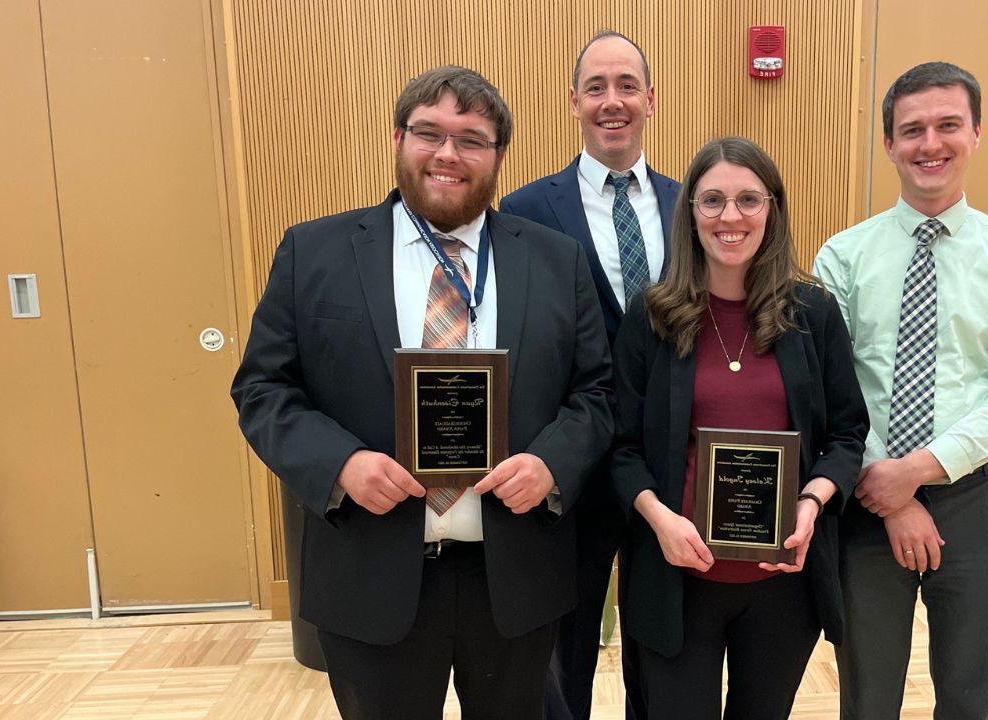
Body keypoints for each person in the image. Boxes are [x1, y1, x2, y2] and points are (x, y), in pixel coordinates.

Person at [230, 65, 613, 720]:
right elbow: (263, 389)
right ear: (398, 137)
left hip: (515, 578)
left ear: (497, 155)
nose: (447, 154)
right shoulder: (314, 253)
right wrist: (340, 464)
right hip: (370, 575)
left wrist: (553, 463)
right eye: (428, 132)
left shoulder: (555, 260)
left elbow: (597, 392)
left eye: (472, 139)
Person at [812, 61, 988, 719]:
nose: (930, 144)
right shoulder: (842, 258)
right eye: (912, 129)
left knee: (973, 698)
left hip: (976, 498)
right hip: (866, 499)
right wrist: (888, 494)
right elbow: (826, 392)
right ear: (888, 143)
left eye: (948, 125)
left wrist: (917, 472)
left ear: (976, 133)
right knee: (867, 697)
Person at [609, 136, 869, 719]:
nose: (731, 216)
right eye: (713, 200)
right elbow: (621, 447)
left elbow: (848, 435)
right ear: (691, 213)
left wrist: (810, 503)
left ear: (773, 210)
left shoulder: (813, 314)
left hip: (782, 581)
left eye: (749, 199)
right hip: (677, 575)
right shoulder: (650, 317)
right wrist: (660, 520)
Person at [499, 29, 678, 720]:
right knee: (563, 645)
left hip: (667, 464)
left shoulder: (690, 204)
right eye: (597, 87)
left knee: (662, 642)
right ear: (573, 101)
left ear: (650, 100)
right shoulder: (523, 212)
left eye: (627, 85)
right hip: (567, 465)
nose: (613, 101)